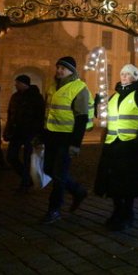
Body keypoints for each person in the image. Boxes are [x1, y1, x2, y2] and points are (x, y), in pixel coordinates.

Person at [94, 65, 138, 231]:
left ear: (135, 76)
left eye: (128, 74)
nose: (124, 76)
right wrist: (98, 104)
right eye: (122, 74)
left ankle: (127, 213)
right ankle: (117, 210)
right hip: (114, 145)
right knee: (113, 182)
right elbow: (103, 118)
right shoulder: (114, 96)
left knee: (128, 183)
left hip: (131, 146)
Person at [41, 56, 91, 224]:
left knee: (59, 174)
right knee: (48, 169)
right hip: (51, 136)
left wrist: (75, 144)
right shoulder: (53, 86)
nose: (59, 70)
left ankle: (54, 210)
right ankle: (78, 191)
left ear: (72, 71)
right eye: (58, 67)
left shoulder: (79, 88)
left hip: (66, 138)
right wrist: (41, 135)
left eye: (63, 68)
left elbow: (82, 118)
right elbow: (47, 112)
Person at [4, 75, 45, 191]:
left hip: (30, 132)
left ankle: (25, 182)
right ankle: (26, 178)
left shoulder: (36, 97)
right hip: (16, 132)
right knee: (11, 157)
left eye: (17, 83)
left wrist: (39, 133)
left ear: (23, 84)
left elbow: (40, 116)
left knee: (28, 159)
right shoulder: (15, 97)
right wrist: (8, 130)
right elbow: (10, 115)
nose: (15, 85)